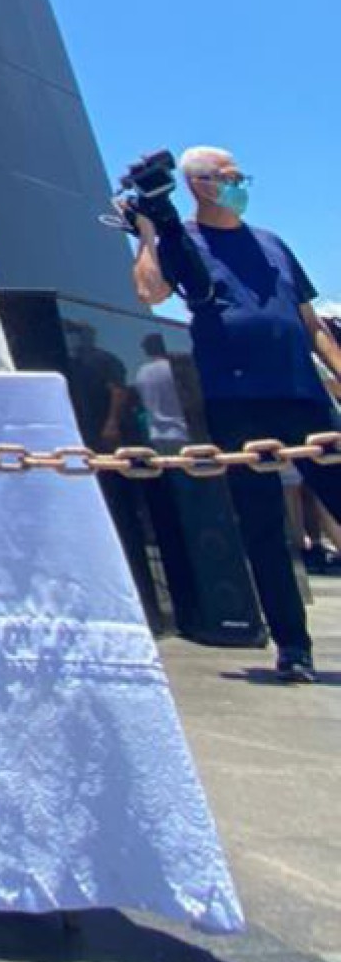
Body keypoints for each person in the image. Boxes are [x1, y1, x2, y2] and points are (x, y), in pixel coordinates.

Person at [132, 146, 341, 681]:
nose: (239, 183)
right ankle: (293, 648)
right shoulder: (182, 240)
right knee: (264, 527)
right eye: (229, 176)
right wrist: (148, 231)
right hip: (236, 402)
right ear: (199, 183)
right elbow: (151, 292)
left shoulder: (272, 243)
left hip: (303, 394)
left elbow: (311, 323)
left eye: (240, 175)